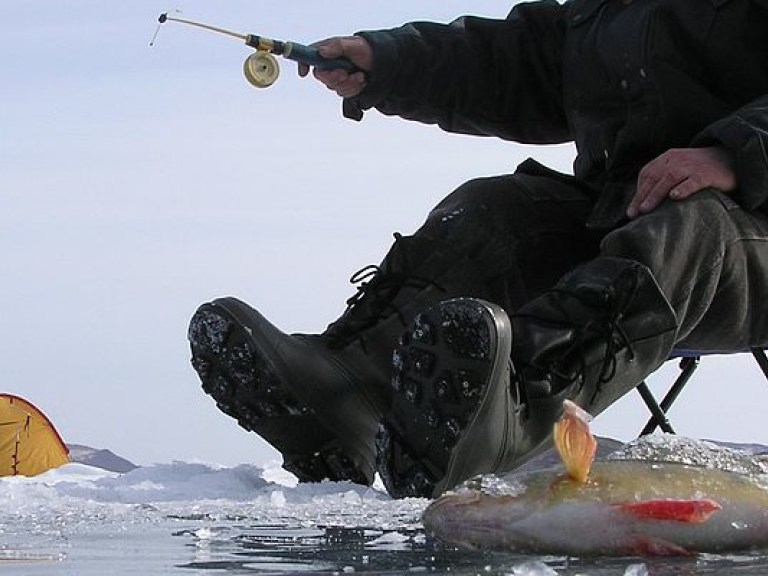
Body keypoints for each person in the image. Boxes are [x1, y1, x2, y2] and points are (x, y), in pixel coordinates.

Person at [188, 0, 768, 499]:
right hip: (622, 213)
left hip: (744, 235)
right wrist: (388, 62)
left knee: (684, 228)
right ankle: (352, 392)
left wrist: (736, 156)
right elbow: (520, 62)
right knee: (496, 211)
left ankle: (513, 411)